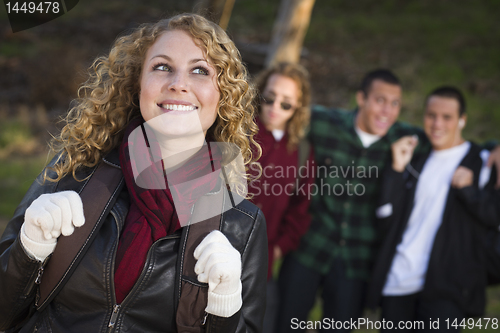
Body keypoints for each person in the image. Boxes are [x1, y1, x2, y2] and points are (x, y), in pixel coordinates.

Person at [0, 13, 267, 333]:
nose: (178, 83)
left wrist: (225, 307)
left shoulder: (243, 225)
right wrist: (28, 250)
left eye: (199, 70)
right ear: (138, 83)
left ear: (222, 95)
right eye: (162, 67)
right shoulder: (73, 172)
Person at [276, 69, 423, 333]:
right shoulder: (325, 123)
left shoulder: (406, 138)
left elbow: (448, 142)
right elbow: (281, 115)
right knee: (284, 322)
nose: (386, 111)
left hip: (357, 259)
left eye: (395, 103)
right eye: (380, 100)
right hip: (310, 244)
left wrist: (493, 149)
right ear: (361, 99)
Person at [366, 86, 492, 332]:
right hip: (399, 282)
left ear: (462, 120)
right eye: (431, 115)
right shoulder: (417, 158)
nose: (437, 124)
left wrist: (468, 191)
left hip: (447, 289)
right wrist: (395, 171)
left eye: (447, 117)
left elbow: (493, 215)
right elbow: (386, 219)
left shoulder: (482, 161)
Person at [249, 62, 315, 333]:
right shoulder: (237, 132)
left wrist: (278, 247)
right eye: (270, 97)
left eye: (286, 103)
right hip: (214, 256)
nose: (275, 107)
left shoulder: (301, 153)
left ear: (298, 107)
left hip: (261, 267)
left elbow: (301, 208)